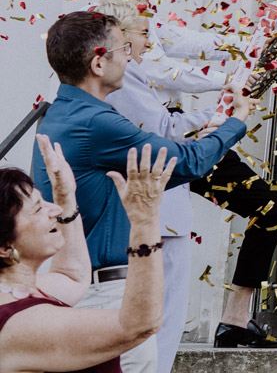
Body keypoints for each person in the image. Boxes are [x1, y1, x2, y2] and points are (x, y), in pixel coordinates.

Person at [31, 11, 252, 373]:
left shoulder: (66, 113)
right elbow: (186, 163)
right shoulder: (96, 123)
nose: (131, 55)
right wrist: (236, 122)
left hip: (85, 285)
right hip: (103, 294)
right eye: (124, 48)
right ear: (99, 63)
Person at [96, 0, 277, 350]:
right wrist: (232, 81)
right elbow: (164, 70)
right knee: (162, 258)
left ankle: (236, 319)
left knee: (270, 207)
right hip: (157, 150)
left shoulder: (150, 27)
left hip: (188, 138)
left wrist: (256, 41)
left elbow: (194, 42)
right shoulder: (105, 33)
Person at [0, 138, 175, 373]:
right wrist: (144, 223)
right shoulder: (22, 324)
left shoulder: (13, 291)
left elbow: (71, 276)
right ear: (5, 248)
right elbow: (139, 325)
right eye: (39, 208)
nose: (55, 210)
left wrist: (65, 195)